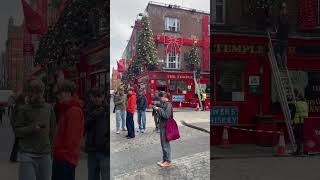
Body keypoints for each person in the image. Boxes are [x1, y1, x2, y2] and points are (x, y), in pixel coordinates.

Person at [13, 79, 56, 180]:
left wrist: (51, 150)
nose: (38, 95)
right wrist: (32, 128)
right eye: (35, 92)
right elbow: (17, 131)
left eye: (40, 92)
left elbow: (53, 131)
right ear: (30, 93)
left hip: (45, 154)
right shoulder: (23, 109)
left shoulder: (49, 108)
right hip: (27, 154)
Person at [52, 80, 85, 180]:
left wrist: (60, 152)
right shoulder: (67, 109)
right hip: (63, 157)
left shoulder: (73, 111)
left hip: (65, 158)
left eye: (60, 93)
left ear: (68, 93)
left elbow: (71, 139)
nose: (58, 97)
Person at [85, 88, 108, 180]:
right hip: (92, 150)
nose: (97, 99)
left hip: (105, 150)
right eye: (95, 97)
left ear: (103, 97)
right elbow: (84, 127)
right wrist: (92, 115)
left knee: (106, 176)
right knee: (92, 176)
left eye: (99, 96)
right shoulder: (88, 110)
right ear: (91, 98)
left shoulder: (107, 111)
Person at [154, 91, 173, 167]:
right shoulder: (164, 104)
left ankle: (168, 160)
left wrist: (159, 109)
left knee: (165, 144)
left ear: (164, 97)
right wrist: (157, 109)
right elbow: (162, 114)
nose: (160, 99)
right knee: (163, 143)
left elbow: (166, 115)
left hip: (166, 126)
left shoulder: (169, 104)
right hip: (162, 125)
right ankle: (165, 159)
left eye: (160, 97)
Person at [10, 94, 26, 162]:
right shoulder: (20, 107)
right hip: (20, 128)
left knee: (17, 143)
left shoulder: (17, 106)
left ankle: (13, 157)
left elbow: (12, 118)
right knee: (19, 143)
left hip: (17, 127)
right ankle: (15, 157)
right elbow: (20, 118)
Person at [292, 90, 308, 156]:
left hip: (298, 122)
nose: (295, 98)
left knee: (298, 137)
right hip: (305, 122)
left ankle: (299, 151)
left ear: (298, 98)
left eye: (296, 97)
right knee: (303, 137)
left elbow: (293, 114)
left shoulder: (296, 104)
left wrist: (292, 123)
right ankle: (305, 150)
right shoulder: (305, 104)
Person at [275, 2, 290, 70]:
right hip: (285, 38)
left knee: (277, 53)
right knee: (284, 53)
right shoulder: (287, 17)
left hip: (279, 38)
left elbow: (277, 27)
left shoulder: (279, 16)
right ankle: (285, 66)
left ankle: (280, 66)